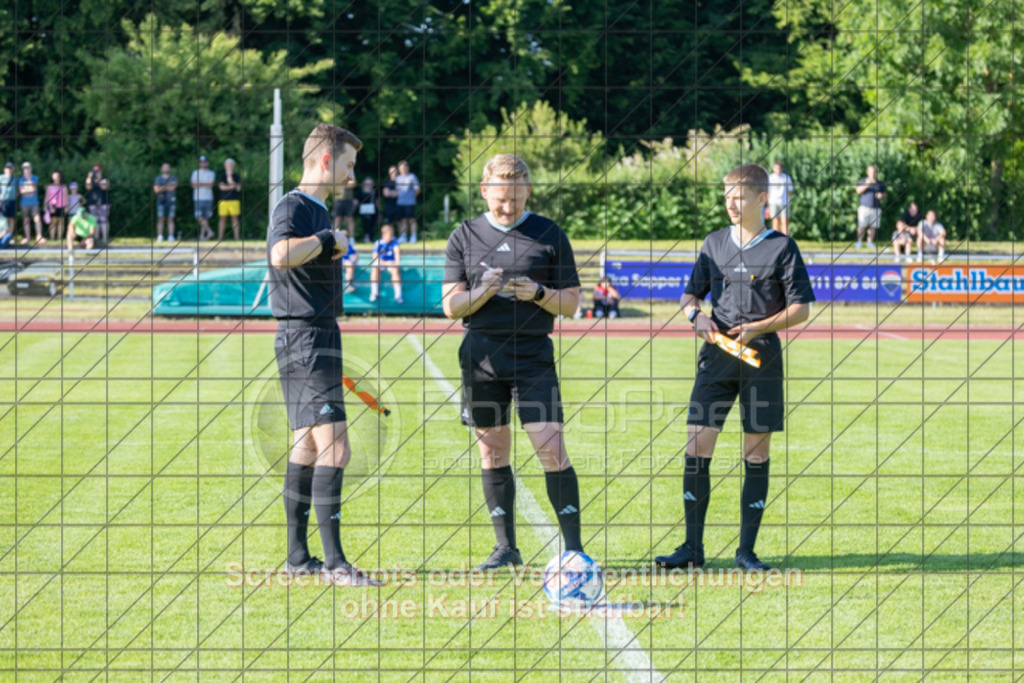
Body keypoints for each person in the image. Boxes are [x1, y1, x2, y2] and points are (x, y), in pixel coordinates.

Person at [654, 163, 814, 572]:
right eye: (726, 196)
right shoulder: (713, 244)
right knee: (696, 445)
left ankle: (746, 551)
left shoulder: (782, 247)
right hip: (716, 357)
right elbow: (690, 296)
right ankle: (692, 548)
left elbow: (801, 309)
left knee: (755, 452)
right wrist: (697, 318)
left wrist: (760, 326)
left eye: (738, 196)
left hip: (760, 358)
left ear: (762, 199)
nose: (730, 203)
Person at [442, 153, 585, 570]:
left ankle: (574, 550)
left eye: (517, 200)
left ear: (528, 192)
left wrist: (538, 293)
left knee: (551, 447)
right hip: (481, 356)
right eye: (500, 199)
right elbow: (451, 305)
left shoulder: (550, 234)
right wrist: (482, 293)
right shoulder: (464, 236)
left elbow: (573, 304)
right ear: (484, 191)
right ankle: (506, 548)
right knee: (492, 452)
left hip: (533, 356)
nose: (508, 208)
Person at [266, 123, 380, 586]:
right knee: (337, 447)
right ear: (326, 160)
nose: (351, 177)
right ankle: (335, 565)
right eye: (348, 165)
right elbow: (279, 254)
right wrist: (327, 242)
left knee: (309, 444)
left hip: (311, 336)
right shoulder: (294, 206)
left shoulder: (312, 209)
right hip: (306, 338)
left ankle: (298, 559)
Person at [369, 222, 402, 304]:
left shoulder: (394, 241)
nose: (391, 236)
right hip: (382, 262)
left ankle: (398, 295)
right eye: (389, 234)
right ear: (383, 234)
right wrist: (385, 263)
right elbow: (375, 257)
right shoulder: (378, 243)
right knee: (375, 267)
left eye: (392, 234)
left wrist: (397, 264)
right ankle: (374, 292)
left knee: (395, 270)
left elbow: (397, 253)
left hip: (391, 262)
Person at [854, 165, 885, 249]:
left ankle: (869, 242)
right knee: (862, 225)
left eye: (874, 171)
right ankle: (859, 242)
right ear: (867, 172)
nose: (872, 173)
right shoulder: (863, 181)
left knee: (873, 226)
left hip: (876, 208)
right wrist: (868, 184)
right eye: (871, 171)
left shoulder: (880, 183)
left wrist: (881, 195)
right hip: (864, 207)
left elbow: (885, 193)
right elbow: (858, 190)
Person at [18, 162, 44, 245]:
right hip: (24, 203)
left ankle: (39, 236)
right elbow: (21, 191)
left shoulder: (35, 178)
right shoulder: (20, 179)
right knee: (26, 220)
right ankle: (28, 237)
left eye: (28, 167)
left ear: (31, 168)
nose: (26, 169)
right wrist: (28, 189)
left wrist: (28, 183)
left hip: (34, 203)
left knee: (37, 219)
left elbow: (33, 189)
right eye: (24, 168)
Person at [395, 160, 420, 243]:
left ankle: (413, 236)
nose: (403, 169)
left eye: (404, 167)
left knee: (411, 219)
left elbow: (417, 189)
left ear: (408, 168)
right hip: (400, 202)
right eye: (401, 168)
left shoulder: (412, 177)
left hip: (410, 202)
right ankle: (403, 236)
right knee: (402, 220)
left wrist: (411, 197)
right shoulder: (397, 178)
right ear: (399, 169)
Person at [84, 164, 111, 245]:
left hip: (104, 202)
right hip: (92, 202)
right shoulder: (90, 179)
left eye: (98, 170)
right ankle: (96, 238)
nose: (96, 172)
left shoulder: (104, 178)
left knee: (103, 220)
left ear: (101, 171)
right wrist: (89, 177)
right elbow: (88, 187)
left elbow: (104, 187)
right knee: (94, 221)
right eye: (95, 170)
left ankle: (104, 238)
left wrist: (99, 178)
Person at [191, 155, 215, 241]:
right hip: (198, 198)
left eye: (204, 161)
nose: (203, 163)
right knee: (198, 217)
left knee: (205, 218)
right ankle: (209, 231)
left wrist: (200, 184)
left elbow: (210, 185)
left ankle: (202, 236)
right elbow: (194, 185)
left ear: (207, 162)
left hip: (208, 198)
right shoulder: (195, 173)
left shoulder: (211, 173)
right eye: (201, 162)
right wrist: (205, 184)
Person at [217, 158, 242, 241]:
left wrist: (230, 178)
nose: (228, 167)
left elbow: (238, 188)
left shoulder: (236, 176)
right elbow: (221, 188)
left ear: (233, 166)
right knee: (222, 219)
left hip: (234, 200)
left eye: (230, 165)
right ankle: (220, 237)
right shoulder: (222, 176)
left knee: (235, 219)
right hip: (223, 201)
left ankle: (236, 238)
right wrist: (232, 187)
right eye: (227, 165)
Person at [767, 162, 795, 235]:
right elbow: (768, 192)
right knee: (775, 222)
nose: (777, 170)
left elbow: (790, 191)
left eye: (779, 168)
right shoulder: (770, 178)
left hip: (784, 203)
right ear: (773, 169)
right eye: (776, 168)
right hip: (773, 202)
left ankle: (786, 241)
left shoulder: (786, 178)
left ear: (781, 169)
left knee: (785, 223)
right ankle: (776, 241)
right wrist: (767, 205)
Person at [153, 162, 178, 242]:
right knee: (161, 219)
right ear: (162, 168)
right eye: (164, 167)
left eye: (167, 167)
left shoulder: (174, 177)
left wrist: (162, 187)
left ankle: (171, 236)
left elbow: (173, 188)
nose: (166, 169)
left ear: (169, 168)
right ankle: (160, 236)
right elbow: (156, 190)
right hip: (161, 201)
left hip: (171, 201)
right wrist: (167, 186)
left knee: (171, 219)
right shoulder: (158, 178)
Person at [44, 171, 68, 242]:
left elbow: (66, 197)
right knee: (52, 223)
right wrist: (45, 206)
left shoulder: (63, 187)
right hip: (52, 206)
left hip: (61, 206)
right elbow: (46, 197)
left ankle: (59, 238)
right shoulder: (49, 187)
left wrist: (67, 206)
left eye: (57, 175)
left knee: (61, 222)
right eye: (54, 175)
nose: (56, 177)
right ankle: (52, 238)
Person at [354, 176, 378, 243]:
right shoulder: (360, 191)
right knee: (366, 223)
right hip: (363, 210)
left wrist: (380, 211)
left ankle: (370, 237)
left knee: (372, 223)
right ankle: (366, 236)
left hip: (373, 210)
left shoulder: (374, 191)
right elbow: (357, 201)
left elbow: (377, 202)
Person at [340, 228, 359, 294]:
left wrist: (354, 260)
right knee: (349, 264)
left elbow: (355, 253)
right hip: (339, 260)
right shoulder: (337, 245)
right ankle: (348, 285)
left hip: (346, 262)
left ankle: (348, 284)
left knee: (350, 264)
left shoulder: (349, 246)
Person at [0, 162, 16, 238]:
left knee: (11, 219)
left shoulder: (15, 178)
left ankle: (9, 236)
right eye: (7, 168)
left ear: (13, 169)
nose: (9, 170)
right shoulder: (1, 178)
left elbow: (18, 190)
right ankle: (2, 236)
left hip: (12, 201)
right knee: (3, 219)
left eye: (10, 168)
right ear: (4, 169)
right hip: (3, 201)